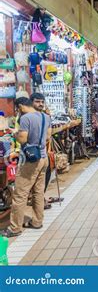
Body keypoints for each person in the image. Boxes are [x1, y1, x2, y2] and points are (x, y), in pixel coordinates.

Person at [1, 98, 52, 237]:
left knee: (20, 194)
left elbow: (22, 139)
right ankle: (37, 221)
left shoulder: (26, 118)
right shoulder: (45, 116)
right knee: (38, 191)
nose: (18, 111)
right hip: (43, 158)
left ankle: (15, 228)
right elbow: (48, 136)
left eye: (17, 109)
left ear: (21, 106)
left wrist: (14, 133)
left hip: (30, 161)